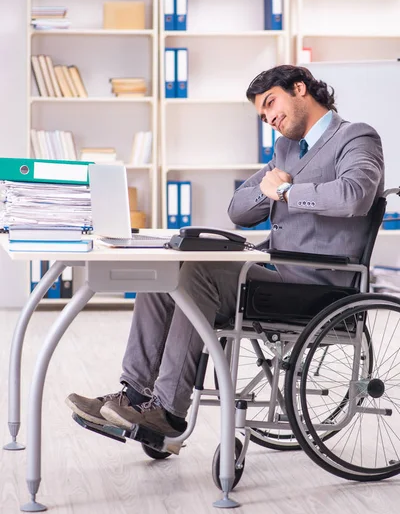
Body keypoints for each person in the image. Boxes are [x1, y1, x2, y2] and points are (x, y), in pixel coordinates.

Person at [66, 64, 384, 440]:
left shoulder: (356, 136)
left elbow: (355, 195)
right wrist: (268, 186)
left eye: (271, 103)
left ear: (300, 88)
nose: (270, 118)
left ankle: (167, 411)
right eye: (263, 115)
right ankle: (134, 395)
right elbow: (238, 210)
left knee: (197, 274)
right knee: (166, 265)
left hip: (319, 283)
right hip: (277, 271)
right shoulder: (286, 149)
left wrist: (285, 191)